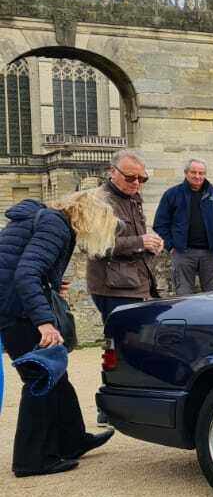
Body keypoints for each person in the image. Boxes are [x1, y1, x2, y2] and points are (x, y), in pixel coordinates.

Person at [0, 190, 122, 477]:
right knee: (40, 378)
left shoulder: (42, 218)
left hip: (12, 304)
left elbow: (21, 264)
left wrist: (52, 283)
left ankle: (72, 439)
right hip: (14, 310)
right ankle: (32, 460)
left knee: (56, 375)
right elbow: (26, 274)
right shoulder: (55, 224)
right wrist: (44, 321)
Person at [88, 150, 161, 324]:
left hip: (137, 284)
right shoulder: (99, 201)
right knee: (123, 338)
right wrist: (140, 242)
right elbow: (95, 246)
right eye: (130, 178)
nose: (136, 183)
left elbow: (136, 238)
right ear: (112, 172)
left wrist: (151, 245)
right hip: (114, 288)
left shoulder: (133, 198)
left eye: (142, 178)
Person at [153, 159, 213, 295]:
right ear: (186, 173)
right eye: (193, 172)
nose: (197, 176)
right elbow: (160, 224)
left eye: (201, 173)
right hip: (183, 253)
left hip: (211, 254)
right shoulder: (172, 194)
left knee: (212, 295)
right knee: (183, 294)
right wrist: (171, 246)